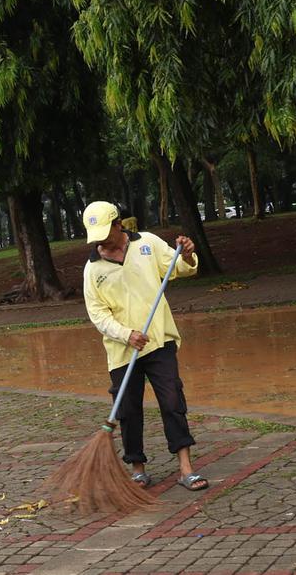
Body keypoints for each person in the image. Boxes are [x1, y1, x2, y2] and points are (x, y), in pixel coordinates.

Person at [81, 200, 209, 491]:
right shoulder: (92, 269)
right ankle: (138, 469)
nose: (101, 241)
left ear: (118, 224)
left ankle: (186, 468)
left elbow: (180, 268)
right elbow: (98, 315)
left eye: (106, 232)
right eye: (96, 237)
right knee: (128, 410)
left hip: (158, 340)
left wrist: (187, 255)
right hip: (122, 351)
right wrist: (127, 335)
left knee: (173, 401)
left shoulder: (147, 243)